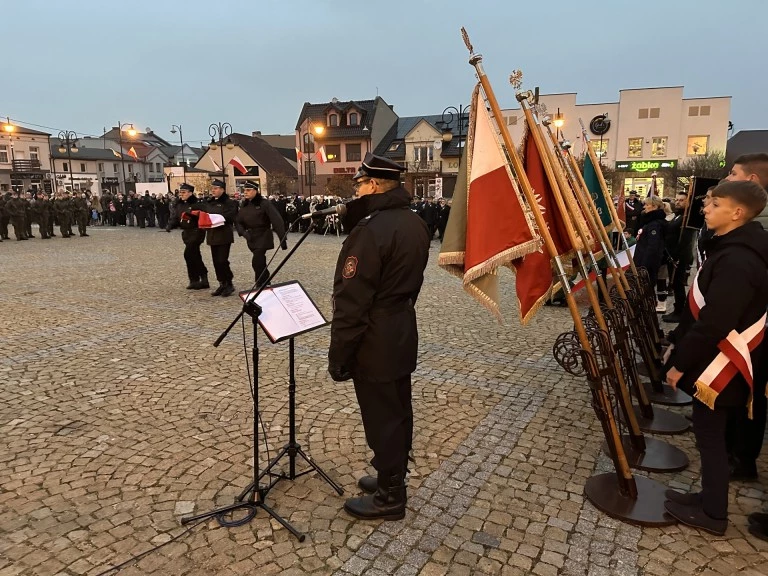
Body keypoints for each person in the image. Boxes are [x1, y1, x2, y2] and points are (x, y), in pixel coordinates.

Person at [328, 153, 430, 521]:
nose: (356, 190)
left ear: (373, 185)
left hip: (375, 336)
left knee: (382, 416)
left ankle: (390, 497)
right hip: (401, 326)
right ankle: (392, 476)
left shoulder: (371, 230)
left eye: (359, 184)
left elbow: (352, 301)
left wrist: (339, 355)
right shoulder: (414, 222)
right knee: (399, 409)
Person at [664, 180, 768, 536]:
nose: (705, 209)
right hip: (715, 358)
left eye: (714, 203)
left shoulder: (738, 259)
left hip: (722, 365)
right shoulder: (733, 249)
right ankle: (710, 498)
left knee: (711, 438)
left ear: (737, 212)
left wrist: (680, 362)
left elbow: (715, 321)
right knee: (712, 437)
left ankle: (713, 514)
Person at [235, 180, 287, 287]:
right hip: (251, 237)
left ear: (255, 191)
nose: (245, 192)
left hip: (263, 235)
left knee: (257, 260)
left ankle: (261, 282)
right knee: (260, 260)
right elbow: (238, 222)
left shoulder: (264, 203)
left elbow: (276, 220)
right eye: (244, 190)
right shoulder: (244, 205)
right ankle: (264, 280)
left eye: (248, 190)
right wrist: (244, 233)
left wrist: (282, 238)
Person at [166, 183, 209, 290]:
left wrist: (192, 214)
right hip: (186, 233)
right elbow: (176, 216)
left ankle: (197, 278)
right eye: (180, 192)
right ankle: (199, 279)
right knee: (195, 255)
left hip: (197, 231)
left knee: (188, 254)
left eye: (184, 192)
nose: (181, 194)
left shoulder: (197, 203)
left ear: (190, 193)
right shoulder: (179, 204)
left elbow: (204, 214)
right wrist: (170, 225)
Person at [203, 179, 238, 297]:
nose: (213, 190)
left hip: (224, 235)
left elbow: (230, 216)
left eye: (216, 188)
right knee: (216, 262)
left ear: (222, 189)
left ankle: (229, 283)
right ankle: (222, 283)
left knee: (222, 260)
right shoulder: (209, 202)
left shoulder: (229, 203)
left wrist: (217, 218)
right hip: (212, 235)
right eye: (212, 188)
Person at [633, 196, 666, 290]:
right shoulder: (649, 222)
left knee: (645, 290)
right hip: (642, 261)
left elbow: (653, 247)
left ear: (655, 207)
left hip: (647, 265)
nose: (644, 207)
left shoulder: (655, 224)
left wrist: (644, 266)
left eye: (647, 205)